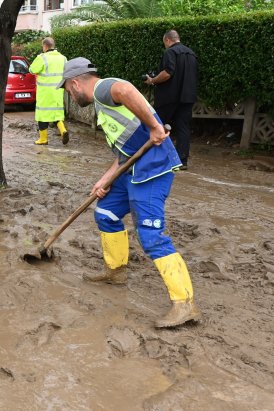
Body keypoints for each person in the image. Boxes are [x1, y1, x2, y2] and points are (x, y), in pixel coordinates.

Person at [59, 57, 198, 328]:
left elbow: (125, 89)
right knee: (106, 212)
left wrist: (156, 127)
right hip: (131, 169)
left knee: (150, 235)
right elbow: (124, 154)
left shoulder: (103, 89)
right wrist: (105, 180)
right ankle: (116, 272)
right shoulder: (102, 104)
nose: (70, 96)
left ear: (75, 83)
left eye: (67, 90)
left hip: (152, 169)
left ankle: (185, 304)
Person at [145, 30, 198, 169]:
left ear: (168, 40)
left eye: (165, 43)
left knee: (158, 125)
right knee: (183, 128)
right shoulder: (191, 53)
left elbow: (168, 72)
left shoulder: (170, 52)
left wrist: (153, 80)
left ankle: (154, 157)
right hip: (187, 97)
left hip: (169, 97)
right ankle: (182, 161)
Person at [30, 37, 68, 146]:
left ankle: (43, 139)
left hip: (45, 92)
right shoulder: (63, 58)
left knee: (43, 115)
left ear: (45, 46)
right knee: (56, 113)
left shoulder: (42, 57)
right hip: (58, 91)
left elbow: (32, 70)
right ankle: (63, 130)